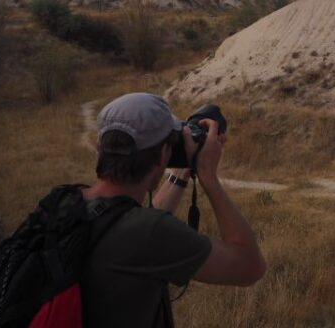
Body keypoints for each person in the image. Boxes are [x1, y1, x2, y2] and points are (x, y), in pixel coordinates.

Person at [80, 93, 266, 327]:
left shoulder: (70, 201)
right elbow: (250, 266)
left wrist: (182, 171)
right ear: (162, 155)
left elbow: (134, 226)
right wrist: (208, 176)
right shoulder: (149, 233)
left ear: (101, 147)